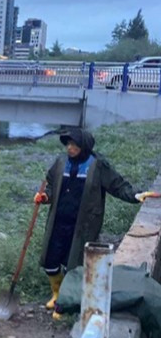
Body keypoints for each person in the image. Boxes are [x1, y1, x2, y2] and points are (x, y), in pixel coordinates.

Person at [34, 128, 154, 320]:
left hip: (83, 224)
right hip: (58, 221)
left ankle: (64, 303)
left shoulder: (97, 166)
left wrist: (135, 195)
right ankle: (56, 294)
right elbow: (50, 184)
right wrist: (44, 196)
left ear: (84, 147)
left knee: (72, 262)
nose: (70, 148)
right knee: (51, 258)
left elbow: (118, 185)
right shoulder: (60, 163)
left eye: (74, 145)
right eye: (68, 144)